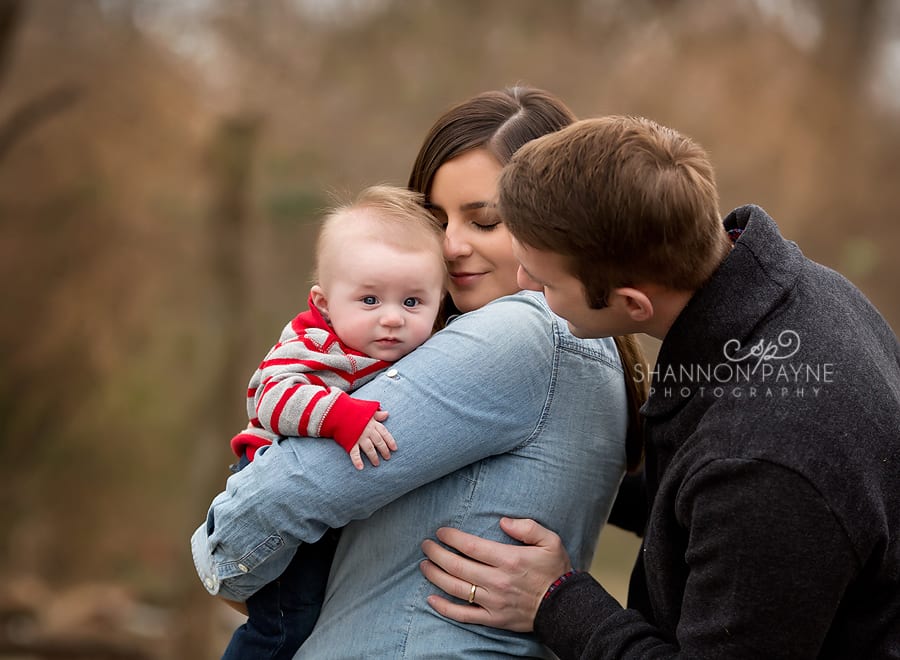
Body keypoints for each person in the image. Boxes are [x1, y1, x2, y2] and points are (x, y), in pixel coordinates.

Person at [418, 115, 900, 658]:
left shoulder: (764, 466)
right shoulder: (785, 296)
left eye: (546, 282)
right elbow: (692, 493)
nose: (525, 282)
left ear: (632, 303)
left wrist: (555, 601)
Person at [191, 87, 648, 658]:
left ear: (556, 221)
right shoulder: (592, 347)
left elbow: (288, 493)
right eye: (434, 220)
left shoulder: (517, 334)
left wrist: (230, 566)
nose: (450, 246)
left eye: (485, 221)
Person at [221, 185, 446, 659]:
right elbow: (270, 398)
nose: (392, 319)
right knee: (285, 624)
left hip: (329, 505)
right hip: (275, 486)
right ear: (324, 303)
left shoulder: (410, 349)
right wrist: (341, 417)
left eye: (412, 302)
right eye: (370, 300)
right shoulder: (316, 345)